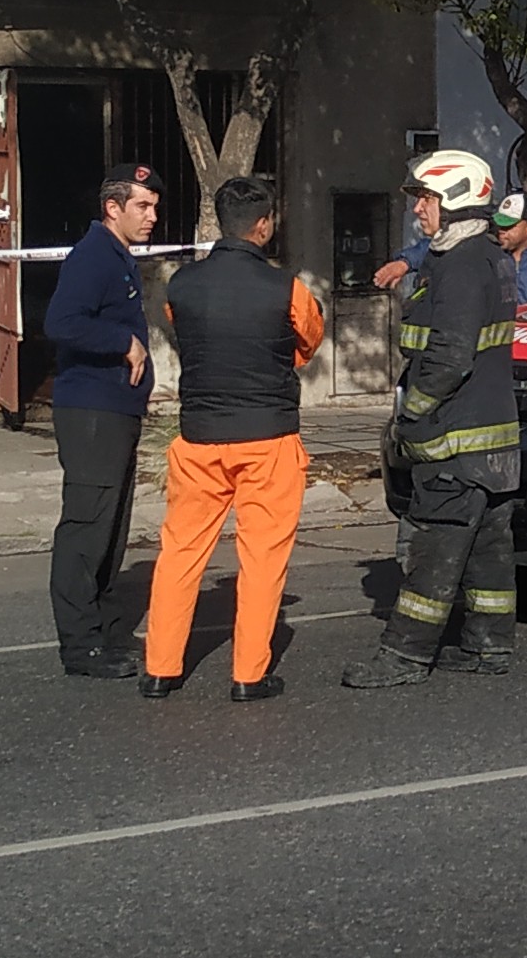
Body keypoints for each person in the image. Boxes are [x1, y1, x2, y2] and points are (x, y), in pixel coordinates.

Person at [139, 177, 325, 703]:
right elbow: (308, 339)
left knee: (180, 553)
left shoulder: (181, 285)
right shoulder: (286, 287)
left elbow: (185, 336)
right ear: (263, 225)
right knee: (263, 559)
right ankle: (248, 675)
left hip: (198, 438)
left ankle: (159, 668)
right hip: (268, 439)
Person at [343, 149, 522, 688]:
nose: (419, 209)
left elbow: (448, 356)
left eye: (426, 199)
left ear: (456, 201)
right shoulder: (487, 256)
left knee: (435, 550)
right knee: (488, 548)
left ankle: (404, 654)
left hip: (454, 442)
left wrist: (410, 416)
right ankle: (489, 646)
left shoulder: (462, 265)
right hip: (491, 441)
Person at [42, 162, 161, 679]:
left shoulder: (119, 257)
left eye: (154, 206)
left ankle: (110, 628)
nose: (152, 216)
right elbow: (62, 322)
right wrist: (123, 342)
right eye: (142, 206)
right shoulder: (94, 255)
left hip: (117, 407)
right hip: (90, 409)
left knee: (113, 526)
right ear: (113, 208)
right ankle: (80, 643)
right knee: (88, 525)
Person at [373, 192, 527, 305]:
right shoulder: (487, 245)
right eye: (499, 225)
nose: (501, 232)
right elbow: (443, 243)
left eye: (509, 226)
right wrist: (404, 263)